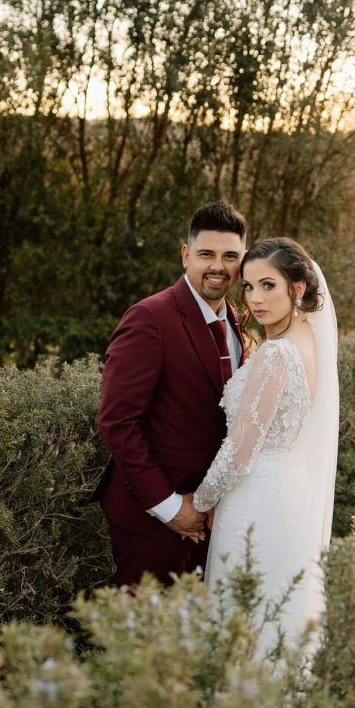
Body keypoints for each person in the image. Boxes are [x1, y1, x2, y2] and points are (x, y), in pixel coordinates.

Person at [193, 237, 339, 656]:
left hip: (254, 497)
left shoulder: (278, 354)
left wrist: (201, 503)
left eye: (268, 285)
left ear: (297, 288)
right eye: (249, 286)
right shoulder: (310, 341)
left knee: (243, 613)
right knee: (273, 608)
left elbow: (240, 451)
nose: (255, 298)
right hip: (287, 494)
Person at [95, 200, 248, 587]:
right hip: (152, 520)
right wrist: (169, 507)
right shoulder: (150, 318)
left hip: (213, 519)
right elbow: (118, 421)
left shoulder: (236, 322)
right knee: (146, 625)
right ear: (185, 255)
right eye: (206, 254)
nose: (218, 266)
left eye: (230, 256)